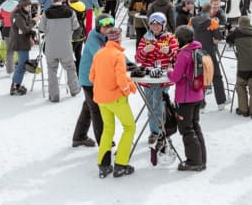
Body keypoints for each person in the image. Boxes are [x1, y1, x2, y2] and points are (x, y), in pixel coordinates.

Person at [90, 27, 138, 178]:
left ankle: (103, 165)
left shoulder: (99, 53)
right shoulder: (118, 55)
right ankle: (120, 164)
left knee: (108, 129)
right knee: (129, 127)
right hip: (116, 98)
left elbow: (92, 77)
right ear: (119, 39)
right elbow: (121, 79)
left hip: (101, 98)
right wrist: (128, 88)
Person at [168, 25, 207, 171]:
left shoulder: (183, 55)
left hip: (185, 98)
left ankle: (193, 161)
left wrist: (169, 71)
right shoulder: (198, 50)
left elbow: (176, 77)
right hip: (198, 94)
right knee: (195, 126)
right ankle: (202, 159)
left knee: (187, 129)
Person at [135, 13, 178, 140]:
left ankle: (162, 130)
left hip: (163, 78)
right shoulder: (145, 38)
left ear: (163, 25)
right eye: (153, 24)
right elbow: (138, 59)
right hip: (147, 79)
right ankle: (155, 131)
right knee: (151, 106)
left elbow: (178, 57)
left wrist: (169, 52)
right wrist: (144, 51)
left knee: (159, 106)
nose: (155, 27)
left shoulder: (170, 38)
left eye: (158, 24)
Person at [73, 14, 114, 148]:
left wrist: (129, 63)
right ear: (98, 27)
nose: (108, 29)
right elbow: (101, 56)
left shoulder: (105, 38)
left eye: (110, 26)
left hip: (96, 78)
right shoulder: (93, 40)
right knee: (96, 110)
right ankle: (103, 141)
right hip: (89, 79)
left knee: (88, 108)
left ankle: (79, 137)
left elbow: (115, 52)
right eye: (105, 26)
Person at [38, 0, 81, 102]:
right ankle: (74, 89)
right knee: (70, 68)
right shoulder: (70, 12)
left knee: (51, 70)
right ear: (62, 0)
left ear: (52, 1)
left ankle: (54, 95)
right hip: (65, 45)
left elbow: (41, 29)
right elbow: (76, 27)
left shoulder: (46, 13)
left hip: (51, 46)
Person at [190, 1, 227, 110]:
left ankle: (200, 105)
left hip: (197, 53)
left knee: (199, 78)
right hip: (209, 53)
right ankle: (221, 102)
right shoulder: (212, 22)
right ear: (210, 11)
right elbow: (218, 37)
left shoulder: (193, 20)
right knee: (216, 76)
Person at [227, 13, 252, 118]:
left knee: (241, 86)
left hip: (243, 65)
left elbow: (228, 39)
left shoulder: (236, 32)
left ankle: (243, 109)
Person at [9, 0, 38, 96]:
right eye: (27, 6)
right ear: (22, 6)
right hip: (20, 42)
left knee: (22, 64)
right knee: (22, 65)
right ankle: (15, 86)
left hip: (22, 41)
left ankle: (16, 84)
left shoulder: (23, 14)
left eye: (30, 6)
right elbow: (25, 29)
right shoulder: (18, 16)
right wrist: (34, 22)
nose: (29, 8)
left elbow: (26, 27)